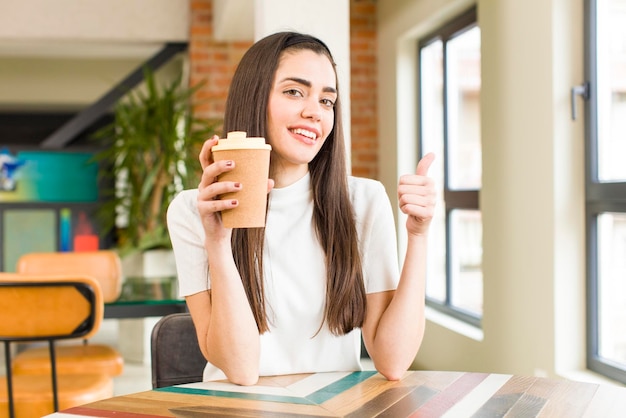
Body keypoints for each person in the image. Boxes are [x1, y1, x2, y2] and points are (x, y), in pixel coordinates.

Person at [167, 31, 436, 386]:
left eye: (327, 101)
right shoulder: (191, 212)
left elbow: (393, 361)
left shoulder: (364, 201)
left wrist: (418, 236)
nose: (314, 112)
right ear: (254, 98)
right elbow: (242, 369)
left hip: (336, 407)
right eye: (294, 92)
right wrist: (218, 242)